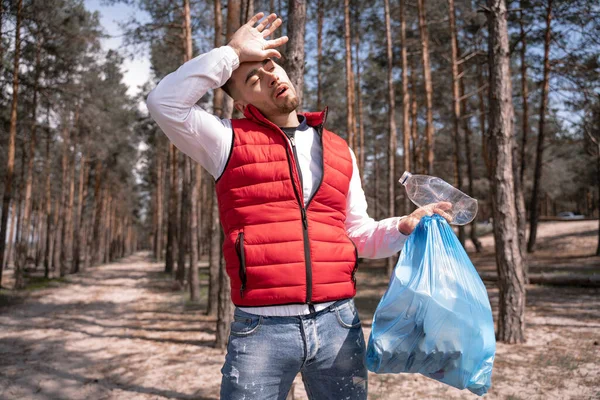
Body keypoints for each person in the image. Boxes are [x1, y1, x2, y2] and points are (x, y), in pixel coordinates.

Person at [147, 12, 451, 400]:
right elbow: (164, 102)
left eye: (272, 66)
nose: (272, 76)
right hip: (261, 332)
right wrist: (230, 52)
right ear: (240, 103)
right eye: (253, 78)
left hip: (339, 326)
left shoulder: (340, 150)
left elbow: (357, 235)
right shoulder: (225, 141)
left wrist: (404, 226)